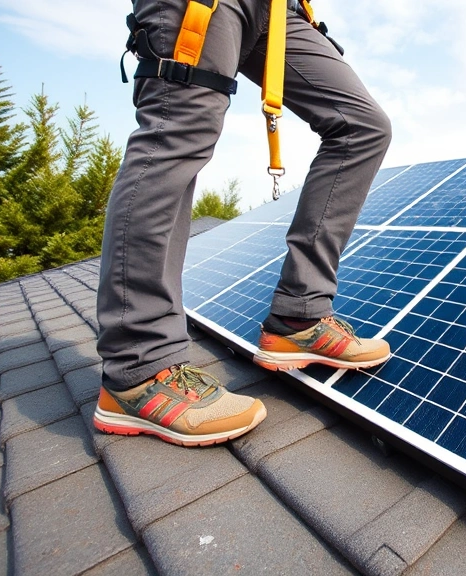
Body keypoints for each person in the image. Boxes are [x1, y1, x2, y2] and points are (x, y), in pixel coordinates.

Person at [93, 0, 392, 447]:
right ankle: (138, 367)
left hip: (280, 8)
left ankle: (300, 315)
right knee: (180, 129)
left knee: (363, 125)